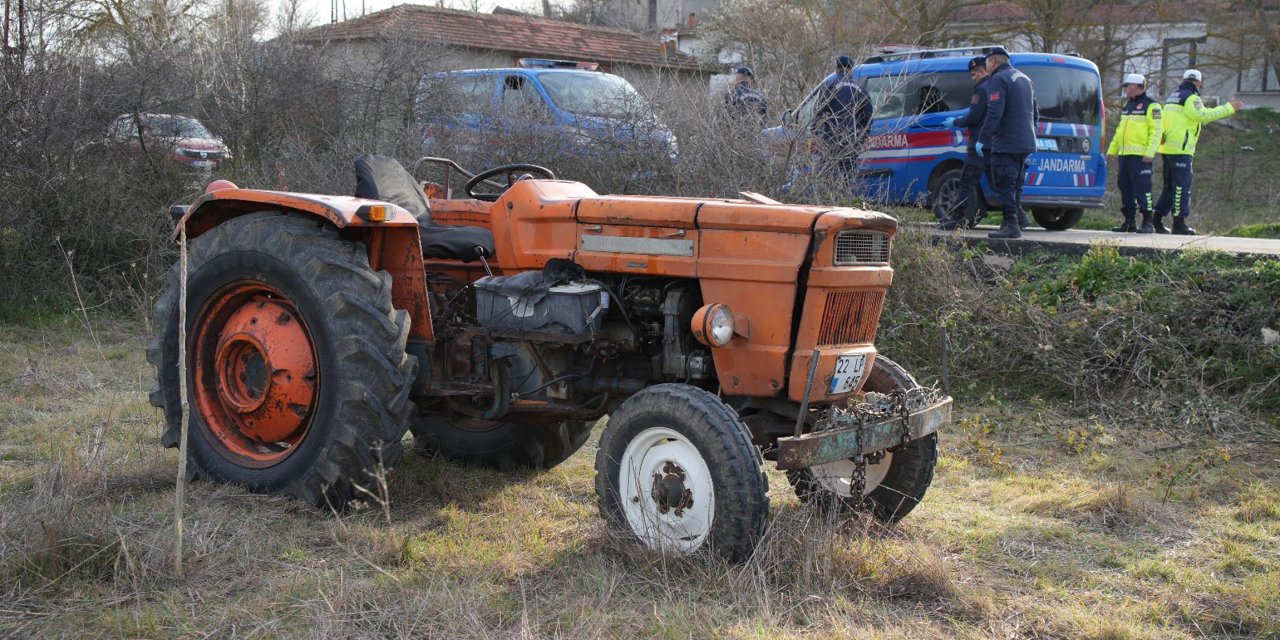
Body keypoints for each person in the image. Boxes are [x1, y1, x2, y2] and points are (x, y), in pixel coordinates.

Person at [1151, 69, 1244, 235]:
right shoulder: (1191, 97)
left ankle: (1156, 220)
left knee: (1169, 187)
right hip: (1181, 149)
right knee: (1181, 187)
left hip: (1167, 147)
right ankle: (1179, 223)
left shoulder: (1173, 96)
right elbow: (1203, 115)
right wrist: (1229, 108)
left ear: (1184, 79)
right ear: (1199, 83)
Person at [976, 46, 1037, 239]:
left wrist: (983, 139)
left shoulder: (998, 79)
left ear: (992, 62)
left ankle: (1012, 224)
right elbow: (1035, 112)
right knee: (1015, 183)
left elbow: (995, 111)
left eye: (987, 64)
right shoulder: (1024, 78)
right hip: (1025, 140)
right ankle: (1014, 221)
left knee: (1003, 183)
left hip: (1007, 140)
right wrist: (1030, 133)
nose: (987, 68)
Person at [938, 56, 990, 230]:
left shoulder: (981, 89)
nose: (972, 77)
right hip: (993, 143)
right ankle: (1017, 218)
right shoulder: (996, 87)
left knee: (966, 181)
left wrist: (956, 122)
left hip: (979, 143)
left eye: (974, 73)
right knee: (1001, 183)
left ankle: (956, 218)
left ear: (982, 71)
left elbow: (974, 117)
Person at [1107, 73, 1162, 233]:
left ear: (1136, 86)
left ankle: (1148, 222)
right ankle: (1129, 221)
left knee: (1142, 188)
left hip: (1141, 156)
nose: (1125, 89)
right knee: (1125, 186)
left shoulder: (1152, 106)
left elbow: (1157, 131)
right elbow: (1119, 131)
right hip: (1125, 155)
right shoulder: (1128, 106)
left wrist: (1150, 152)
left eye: (1127, 86)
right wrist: (1112, 149)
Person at [812, 54, 874, 186]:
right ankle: (843, 202)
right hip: (851, 141)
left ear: (836, 69)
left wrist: (815, 135)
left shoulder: (828, 86)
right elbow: (867, 118)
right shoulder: (860, 89)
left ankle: (828, 202)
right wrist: (861, 139)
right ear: (851, 70)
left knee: (827, 177)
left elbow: (818, 113)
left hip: (830, 140)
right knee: (846, 178)